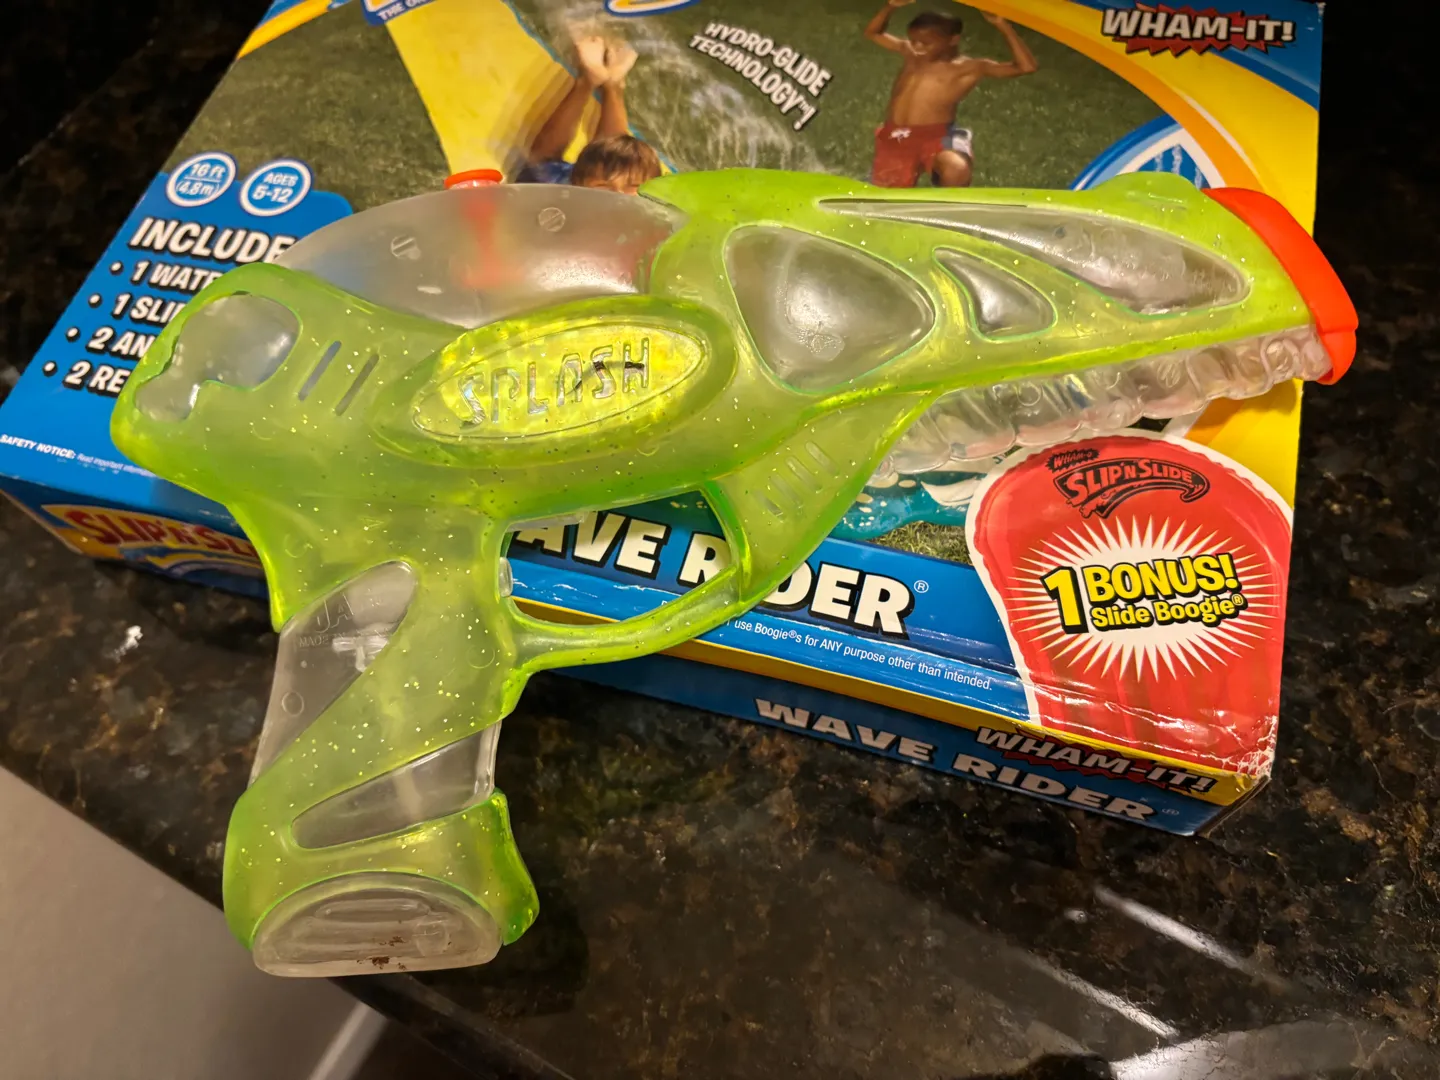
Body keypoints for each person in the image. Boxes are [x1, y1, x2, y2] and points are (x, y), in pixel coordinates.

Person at [864, 2, 1037, 188]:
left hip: (935, 135)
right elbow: (873, 33)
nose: (917, 46)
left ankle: (947, 199)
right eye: (913, 40)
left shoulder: (968, 68)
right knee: (884, 195)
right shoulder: (911, 53)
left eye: (926, 43)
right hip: (896, 135)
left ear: (953, 40)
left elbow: (1026, 66)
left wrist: (1002, 24)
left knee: (955, 169)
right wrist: (890, 6)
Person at [517, 36, 662, 195]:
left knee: (540, 163)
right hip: (585, 189)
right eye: (605, 187)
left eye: (631, 186)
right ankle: (612, 85)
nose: (618, 195)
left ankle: (587, 82)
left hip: (574, 193)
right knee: (617, 157)